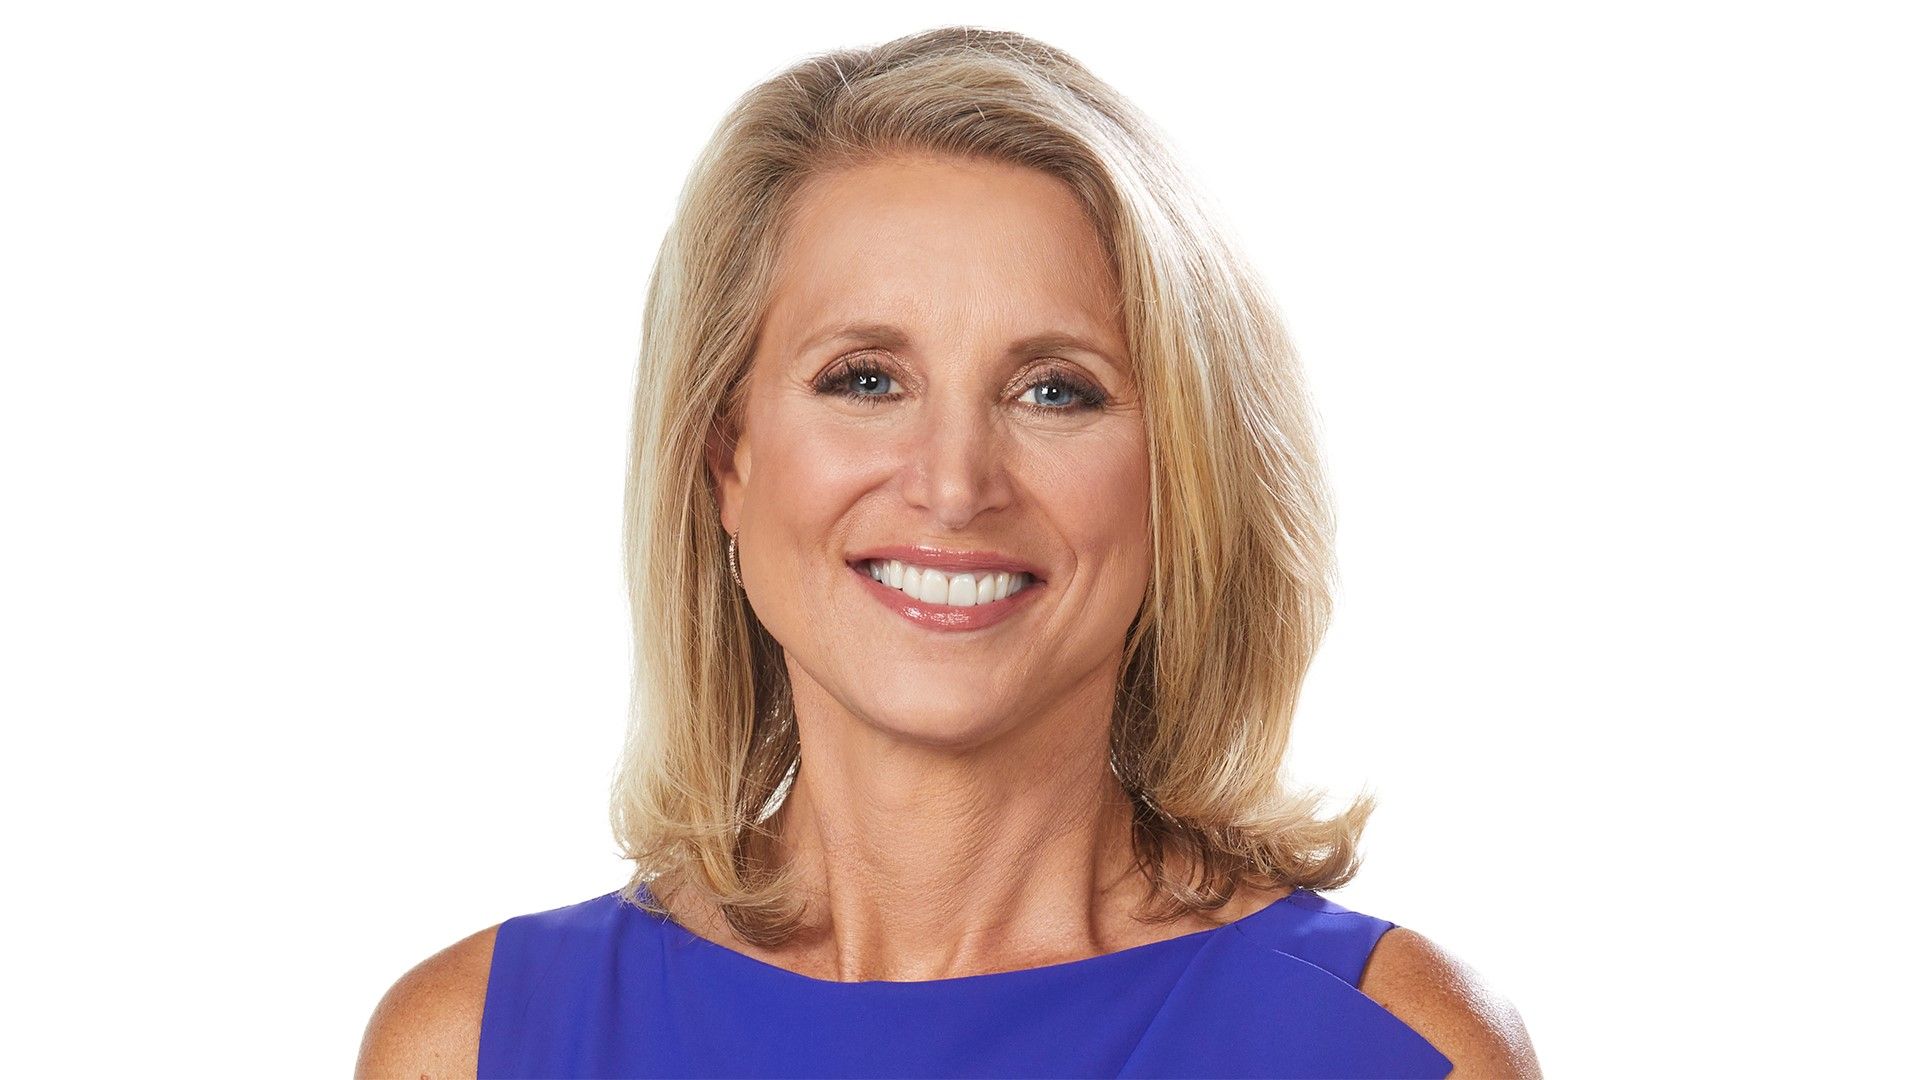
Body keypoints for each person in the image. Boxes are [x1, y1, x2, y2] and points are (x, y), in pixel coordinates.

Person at [357, 25, 1541, 1079]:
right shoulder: (470, 1045)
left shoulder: (1390, 1046)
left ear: (1182, 475)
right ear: (730, 457)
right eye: (865, 380)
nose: (954, 484)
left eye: (1055, 391)